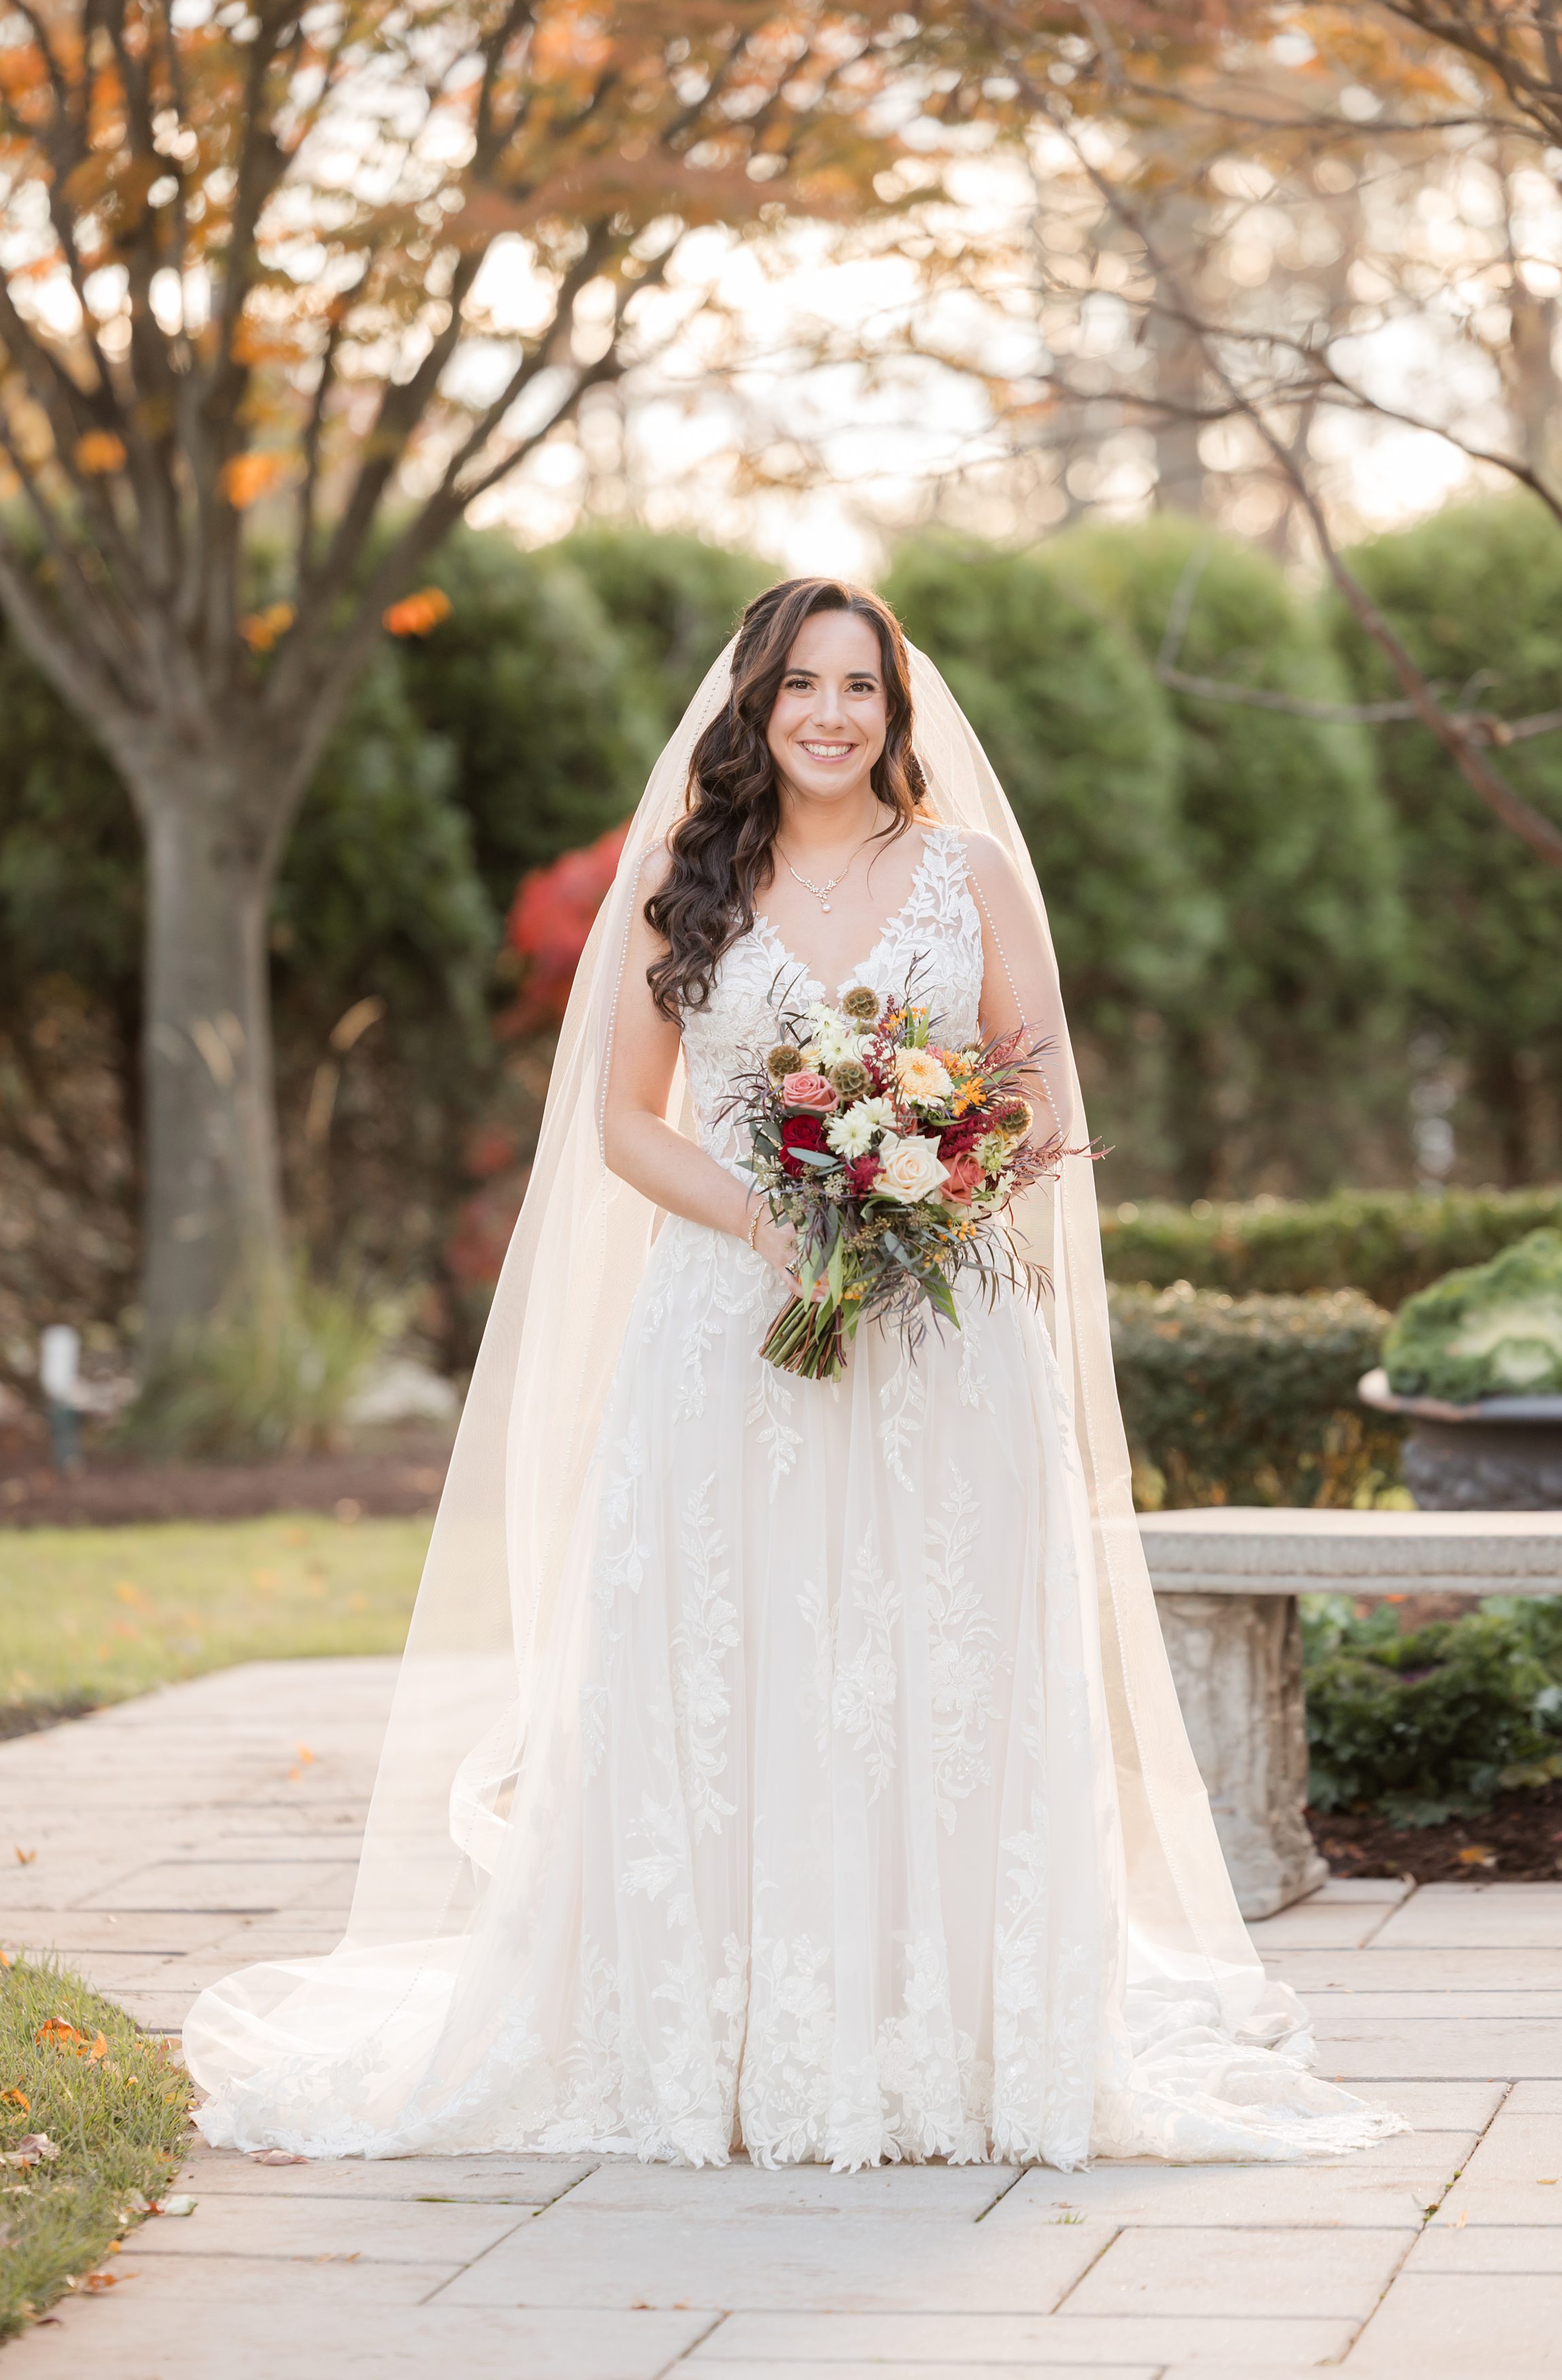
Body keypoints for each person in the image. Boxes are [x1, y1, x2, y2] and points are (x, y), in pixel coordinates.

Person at [183, 578, 1403, 2169]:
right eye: (802, 687)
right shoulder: (687, 891)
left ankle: (948, 2045)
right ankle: (719, 2041)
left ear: (898, 714)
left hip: (942, 1342)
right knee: (737, 1666)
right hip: (728, 1344)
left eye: (862, 689)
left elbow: (1036, 1101)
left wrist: (926, 1178)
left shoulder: (970, 878)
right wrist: (779, 1221)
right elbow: (627, 1125)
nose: (833, 715)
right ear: (753, 709)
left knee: (933, 1670)